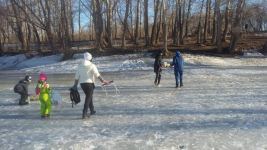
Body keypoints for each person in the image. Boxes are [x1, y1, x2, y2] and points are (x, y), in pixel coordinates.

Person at [73, 52, 110, 119]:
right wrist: (103, 81)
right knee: (88, 98)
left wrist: (75, 85)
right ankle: (84, 114)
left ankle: (92, 111)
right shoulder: (92, 65)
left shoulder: (80, 65)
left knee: (89, 97)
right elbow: (97, 74)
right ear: (90, 58)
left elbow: (77, 76)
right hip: (90, 84)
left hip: (82, 84)